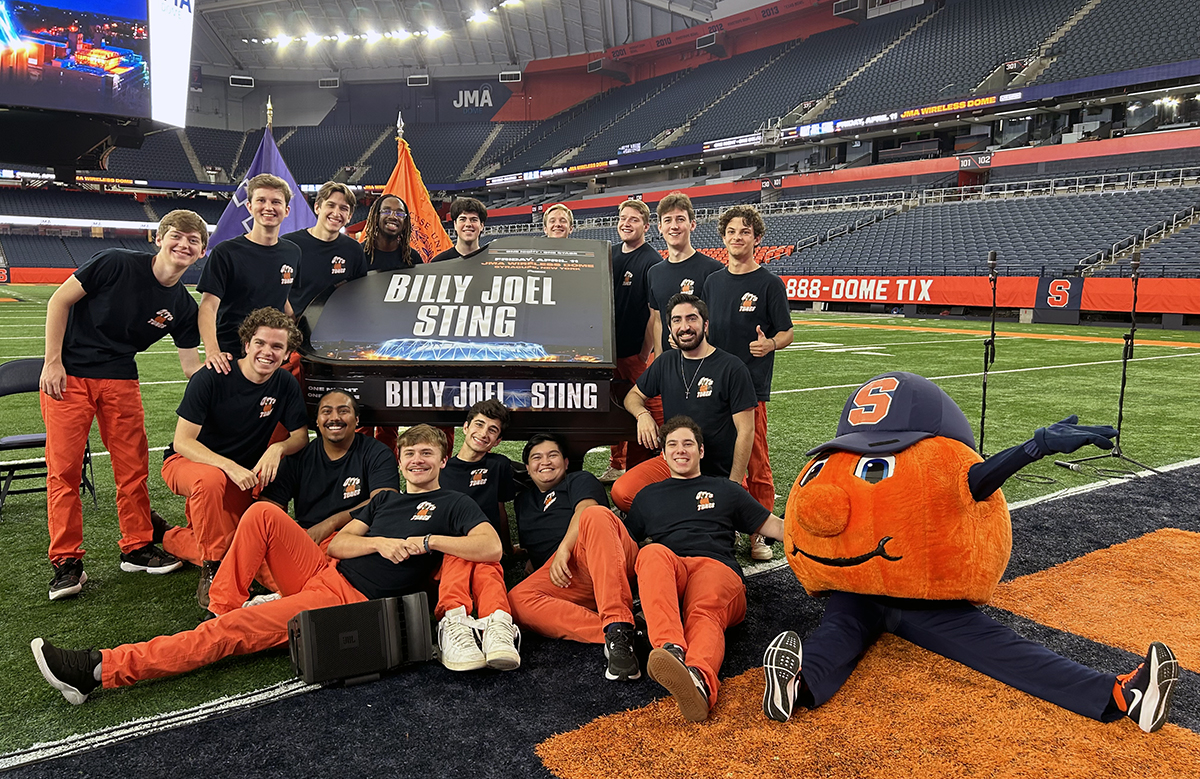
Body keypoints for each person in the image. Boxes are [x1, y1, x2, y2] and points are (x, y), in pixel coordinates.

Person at [31, 425, 504, 704]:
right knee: (262, 512)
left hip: (348, 600)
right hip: (326, 570)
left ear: (443, 459)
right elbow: (340, 547)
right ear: (400, 461)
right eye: (411, 453)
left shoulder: (455, 503)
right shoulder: (386, 501)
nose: (418, 459)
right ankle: (225, 604)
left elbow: (490, 548)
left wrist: (424, 541)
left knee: (223, 636)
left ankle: (97, 670)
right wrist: (380, 543)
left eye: (427, 453)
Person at [38, 210, 208, 600]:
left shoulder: (183, 306)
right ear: (159, 238)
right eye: (176, 236)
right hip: (71, 376)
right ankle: (66, 562)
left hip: (121, 380)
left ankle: (136, 547)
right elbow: (59, 301)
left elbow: (190, 366)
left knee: (132, 469)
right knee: (63, 472)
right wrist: (52, 361)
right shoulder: (115, 262)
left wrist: (231, 385)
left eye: (193, 241)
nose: (183, 245)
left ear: (201, 251)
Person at [625, 416, 785, 721]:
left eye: (688, 444)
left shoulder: (725, 489)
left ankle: (698, 680)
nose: (680, 450)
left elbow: (775, 527)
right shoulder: (647, 497)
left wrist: (821, 534)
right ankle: (671, 649)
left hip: (717, 569)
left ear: (701, 451)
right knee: (652, 552)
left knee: (704, 609)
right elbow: (624, 546)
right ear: (663, 453)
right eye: (672, 444)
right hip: (674, 573)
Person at [160, 308, 310, 608]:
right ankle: (213, 573)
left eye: (277, 347)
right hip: (189, 465)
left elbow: (300, 436)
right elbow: (182, 441)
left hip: (238, 478)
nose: (267, 352)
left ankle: (165, 535)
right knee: (212, 481)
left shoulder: (284, 384)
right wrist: (228, 466)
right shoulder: (214, 376)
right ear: (246, 344)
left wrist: (276, 448)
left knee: (242, 542)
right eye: (260, 343)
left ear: (286, 354)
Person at [508, 434, 641, 681]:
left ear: (566, 462)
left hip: (605, 553)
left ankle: (618, 623)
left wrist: (564, 548)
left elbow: (586, 510)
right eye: (536, 458)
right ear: (527, 467)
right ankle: (620, 636)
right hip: (566, 575)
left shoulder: (579, 479)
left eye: (553, 455)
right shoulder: (523, 501)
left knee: (595, 516)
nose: (545, 462)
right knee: (516, 601)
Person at [703, 205, 794, 561]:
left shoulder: (768, 283)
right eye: (731, 232)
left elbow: (786, 331)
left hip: (751, 387)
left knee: (756, 461)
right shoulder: (712, 281)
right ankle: (720, 523)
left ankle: (759, 532)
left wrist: (770, 343)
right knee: (716, 457)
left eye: (744, 232)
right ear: (723, 237)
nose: (737, 238)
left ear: (756, 238)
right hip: (714, 384)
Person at [613, 293, 757, 512]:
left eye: (692, 318)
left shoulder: (732, 368)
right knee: (622, 493)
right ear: (670, 328)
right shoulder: (666, 362)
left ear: (705, 324)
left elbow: (746, 431)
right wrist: (642, 415)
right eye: (677, 320)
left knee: (710, 522)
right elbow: (632, 396)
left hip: (715, 469)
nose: (684, 326)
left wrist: (733, 484)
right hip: (674, 461)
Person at [433, 399, 522, 672]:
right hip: (450, 549)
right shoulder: (441, 468)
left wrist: (507, 549)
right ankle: (454, 622)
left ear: (497, 441)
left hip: (486, 549)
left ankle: (498, 624)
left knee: (487, 569)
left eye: (492, 430)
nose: (484, 433)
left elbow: (500, 509)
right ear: (465, 427)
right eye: (479, 425)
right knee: (461, 557)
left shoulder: (498, 466)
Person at [253, 390, 399, 549]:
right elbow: (268, 507)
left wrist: (331, 523)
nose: (335, 418)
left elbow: (384, 500)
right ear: (316, 421)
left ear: (357, 420)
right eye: (326, 412)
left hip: (356, 538)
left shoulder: (377, 453)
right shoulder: (298, 457)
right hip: (308, 538)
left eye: (343, 411)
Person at [197, 173, 301, 375]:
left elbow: (284, 296)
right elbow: (208, 306)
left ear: (286, 210)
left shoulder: (293, 252)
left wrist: (297, 334)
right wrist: (212, 351)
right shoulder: (226, 252)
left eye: (276, 202)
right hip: (231, 355)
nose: (268, 207)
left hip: (270, 354)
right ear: (249, 207)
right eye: (261, 200)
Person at [601, 199, 662, 484]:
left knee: (648, 409)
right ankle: (617, 463)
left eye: (634, 219)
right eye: (623, 218)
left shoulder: (651, 261)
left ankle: (645, 468)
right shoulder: (609, 254)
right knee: (611, 408)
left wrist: (643, 352)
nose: (627, 223)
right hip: (606, 352)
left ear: (646, 226)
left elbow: (654, 314)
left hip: (633, 354)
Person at [646, 193, 723, 356]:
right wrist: (660, 363)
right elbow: (658, 322)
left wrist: (688, 337)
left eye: (680, 219)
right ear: (660, 227)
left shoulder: (713, 270)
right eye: (667, 220)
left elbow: (719, 324)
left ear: (692, 224)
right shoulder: (654, 272)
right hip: (670, 367)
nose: (674, 226)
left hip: (703, 364)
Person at [283, 181, 367, 317]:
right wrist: (290, 318)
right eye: (331, 205)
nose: (336, 213)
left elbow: (358, 294)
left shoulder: (354, 250)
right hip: (295, 330)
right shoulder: (289, 244)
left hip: (337, 330)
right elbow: (276, 288)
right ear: (317, 208)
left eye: (343, 208)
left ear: (349, 216)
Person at [360, 194, 420, 272]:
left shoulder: (412, 257)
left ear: (405, 223)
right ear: (376, 217)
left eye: (399, 213)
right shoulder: (359, 254)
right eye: (386, 211)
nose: (393, 217)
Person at [430, 198, 489, 262]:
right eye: (462, 219)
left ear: (482, 226)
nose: (468, 224)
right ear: (455, 224)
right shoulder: (438, 262)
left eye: (474, 220)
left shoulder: (491, 262)